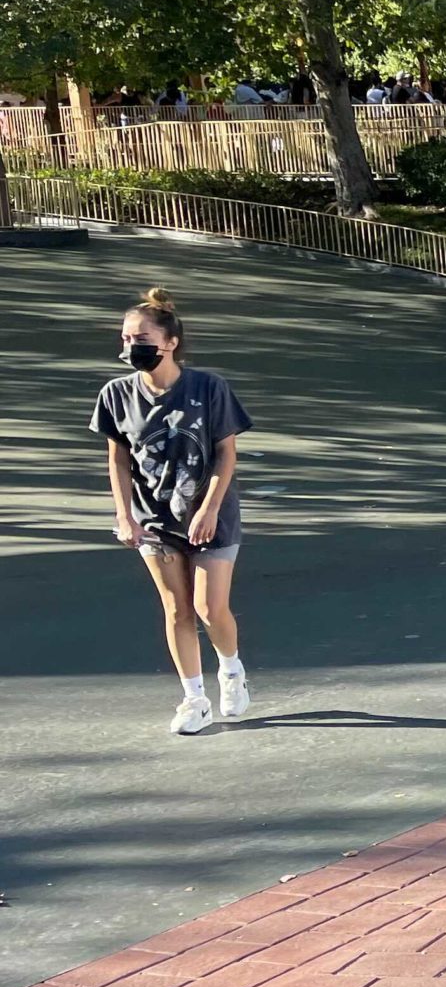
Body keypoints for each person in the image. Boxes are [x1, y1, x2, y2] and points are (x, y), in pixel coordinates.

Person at [91, 289, 255, 734]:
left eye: (140, 338)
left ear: (170, 342)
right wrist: (124, 516)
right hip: (154, 518)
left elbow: (226, 455)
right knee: (176, 609)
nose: (131, 347)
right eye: (125, 339)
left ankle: (232, 671)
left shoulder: (209, 387)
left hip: (210, 515)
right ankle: (194, 699)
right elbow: (118, 459)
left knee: (208, 607)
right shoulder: (115, 394)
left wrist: (209, 509)